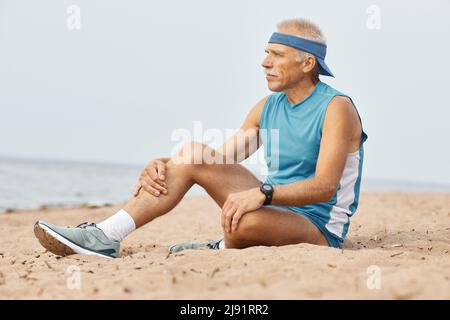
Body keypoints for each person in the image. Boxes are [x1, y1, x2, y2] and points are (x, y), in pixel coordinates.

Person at [34, 18, 368, 259]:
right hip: (273, 208)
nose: (264, 62)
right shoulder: (267, 106)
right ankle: (106, 235)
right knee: (193, 151)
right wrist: (165, 163)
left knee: (243, 225)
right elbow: (218, 159)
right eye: (266, 53)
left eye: (277, 55)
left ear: (307, 62)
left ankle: (223, 247)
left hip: (318, 227)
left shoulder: (336, 107)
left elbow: (325, 186)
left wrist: (262, 194)